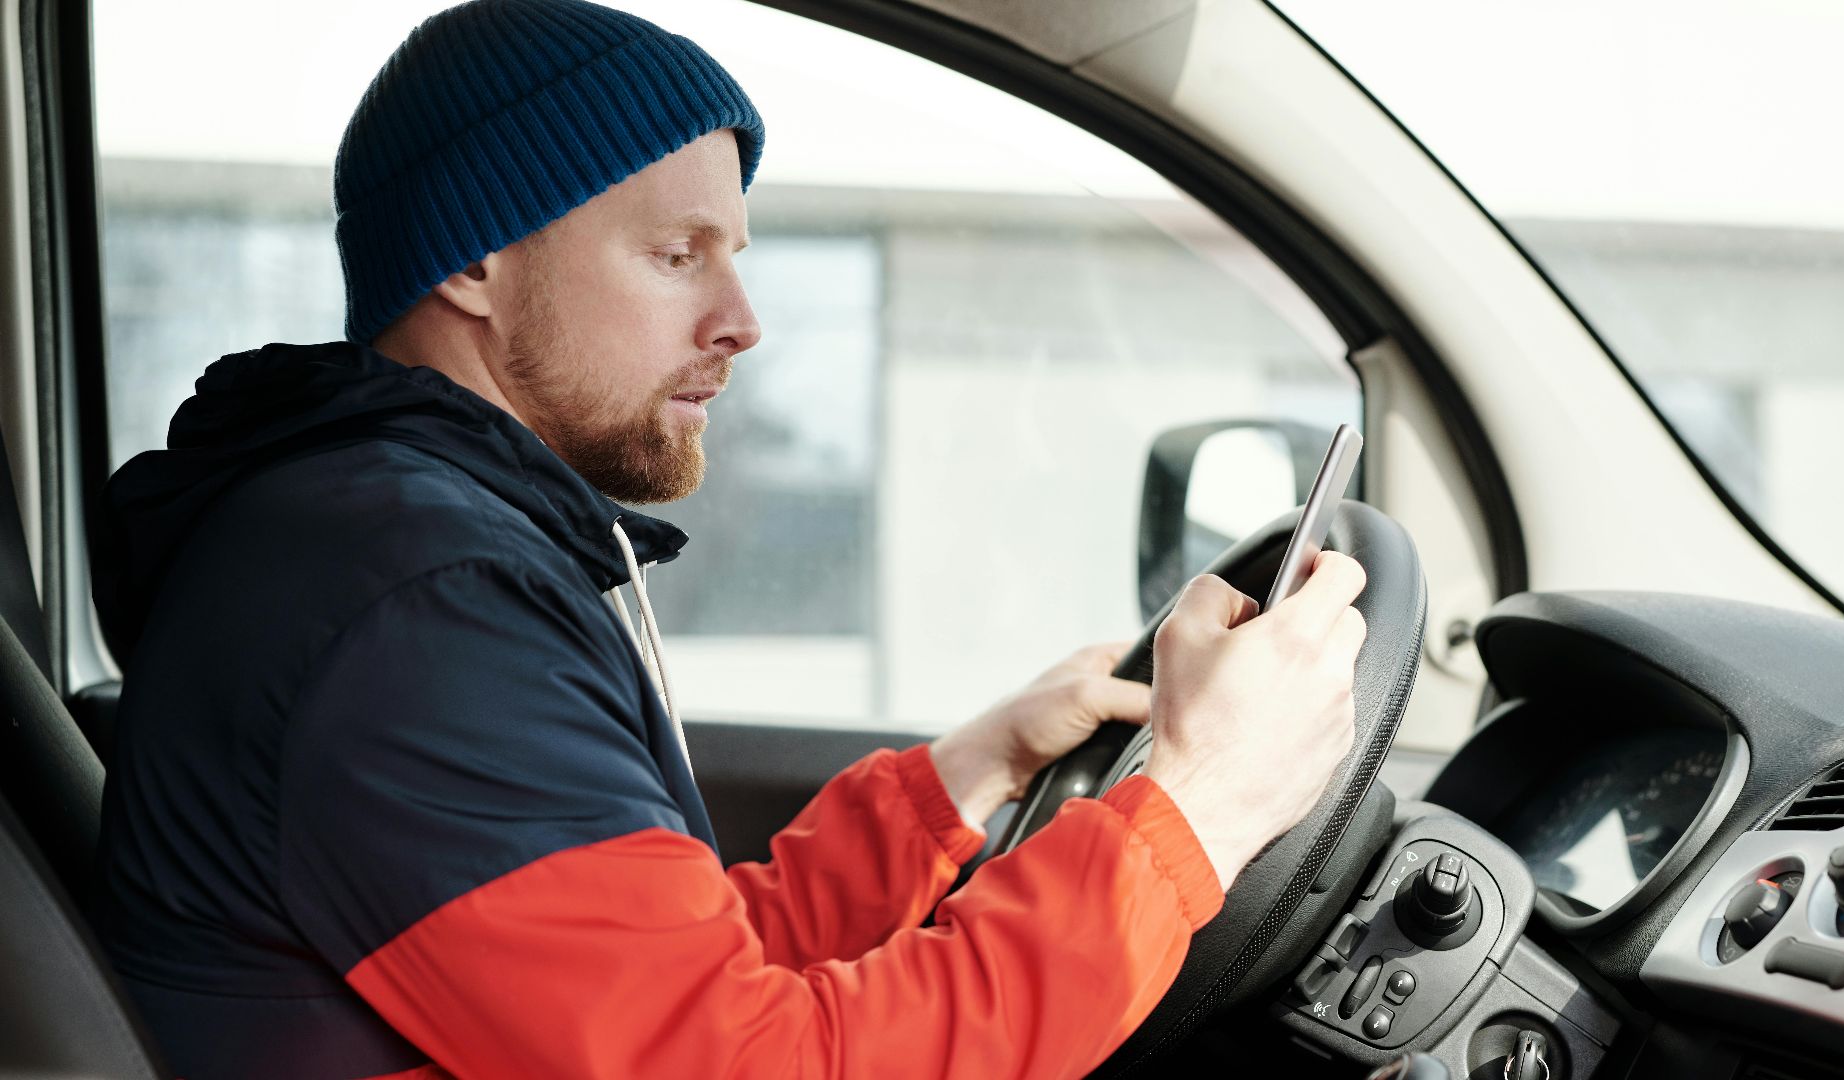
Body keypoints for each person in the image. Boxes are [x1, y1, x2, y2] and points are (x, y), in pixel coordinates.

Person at [90, 2, 1368, 1077]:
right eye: (674, 253)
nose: (742, 319)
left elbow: (650, 973)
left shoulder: (394, 542)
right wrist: (1199, 806)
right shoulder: (412, 604)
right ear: (477, 261)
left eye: (735, 255)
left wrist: (966, 775)